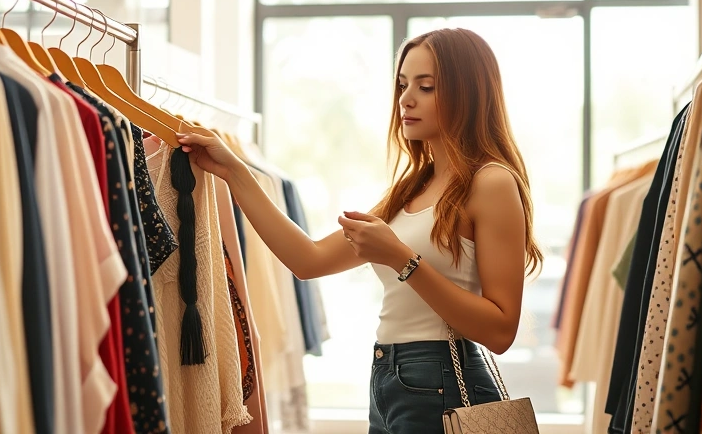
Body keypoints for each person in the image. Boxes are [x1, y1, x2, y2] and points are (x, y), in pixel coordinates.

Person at [175, 27, 542, 433]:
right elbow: (308, 260)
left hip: (441, 382)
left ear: (468, 93)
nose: (405, 98)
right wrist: (235, 173)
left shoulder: (491, 182)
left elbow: (501, 329)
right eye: (403, 84)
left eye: (426, 86)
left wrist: (401, 259)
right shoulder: (411, 188)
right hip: (389, 378)